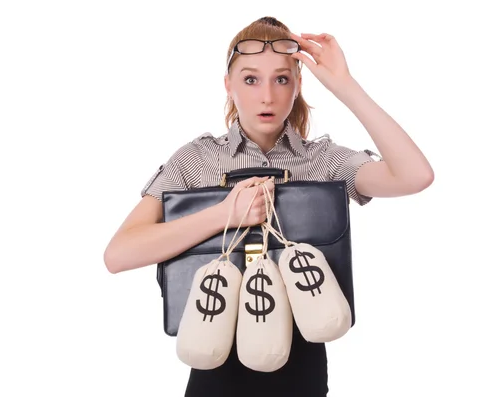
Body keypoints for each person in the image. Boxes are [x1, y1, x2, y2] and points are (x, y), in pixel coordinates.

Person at [104, 16, 434, 397]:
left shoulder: (322, 160)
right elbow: (119, 254)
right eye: (250, 79)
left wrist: (346, 87)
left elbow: (415, 176)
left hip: (302, 368)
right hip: (215, 363)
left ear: (297, 87)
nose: (267, 96)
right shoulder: (195, 160)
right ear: (228, 86)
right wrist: (225, 215)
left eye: (281, 79)